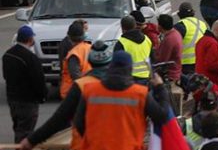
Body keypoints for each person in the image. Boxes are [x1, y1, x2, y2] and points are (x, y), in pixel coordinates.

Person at [21, 52, 171, 150]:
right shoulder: (140, 94)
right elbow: (162, 116)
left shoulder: (90, 91)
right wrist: (159, 88)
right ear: (129, 69)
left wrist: (32, 140)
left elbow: (72, 122)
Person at [23, 41, 112, 150]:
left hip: (87, 145)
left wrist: (32, 140)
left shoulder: (81, 86)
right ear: (111, 61)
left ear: (90, 62)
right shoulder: (130, 88)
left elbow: (59, 119)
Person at [3, 26, 47, 143]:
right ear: (30, 39)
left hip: (13, 99)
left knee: (18, 127)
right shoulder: (31, 58)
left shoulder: (8, 55)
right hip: (28, 101)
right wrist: (42, 96)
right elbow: (39, 81)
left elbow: (6, 76)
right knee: (26, 132)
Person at [113, 15, 152, 84]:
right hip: (146, 77)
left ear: (122, 28)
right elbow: (152, 58)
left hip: (130, 80)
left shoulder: (122, 43)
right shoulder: (147, 39)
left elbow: (116, 64)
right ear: (135, 26)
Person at [176, 2, 211, 74]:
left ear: (179, 14)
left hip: (186, 63)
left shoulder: (180, 25)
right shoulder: (201, 23)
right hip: (201, 60)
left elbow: (173, 44)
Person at [196, 19, 218, 92]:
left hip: (201, 80)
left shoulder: (202, 40)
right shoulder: (213, 44)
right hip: (212, 83)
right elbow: (211, 64)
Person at [60, 22, 91, 99]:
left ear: (69, 36)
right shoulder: (90, 48)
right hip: (88, 89)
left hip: (73, 92)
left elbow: (75, 75)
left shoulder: (74, 53)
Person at [155, 14, 182, 82]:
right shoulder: (176, 33)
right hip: (176, 71)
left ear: (160, 26)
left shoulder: (169, 39)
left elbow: (163, 60)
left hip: (171, 75)